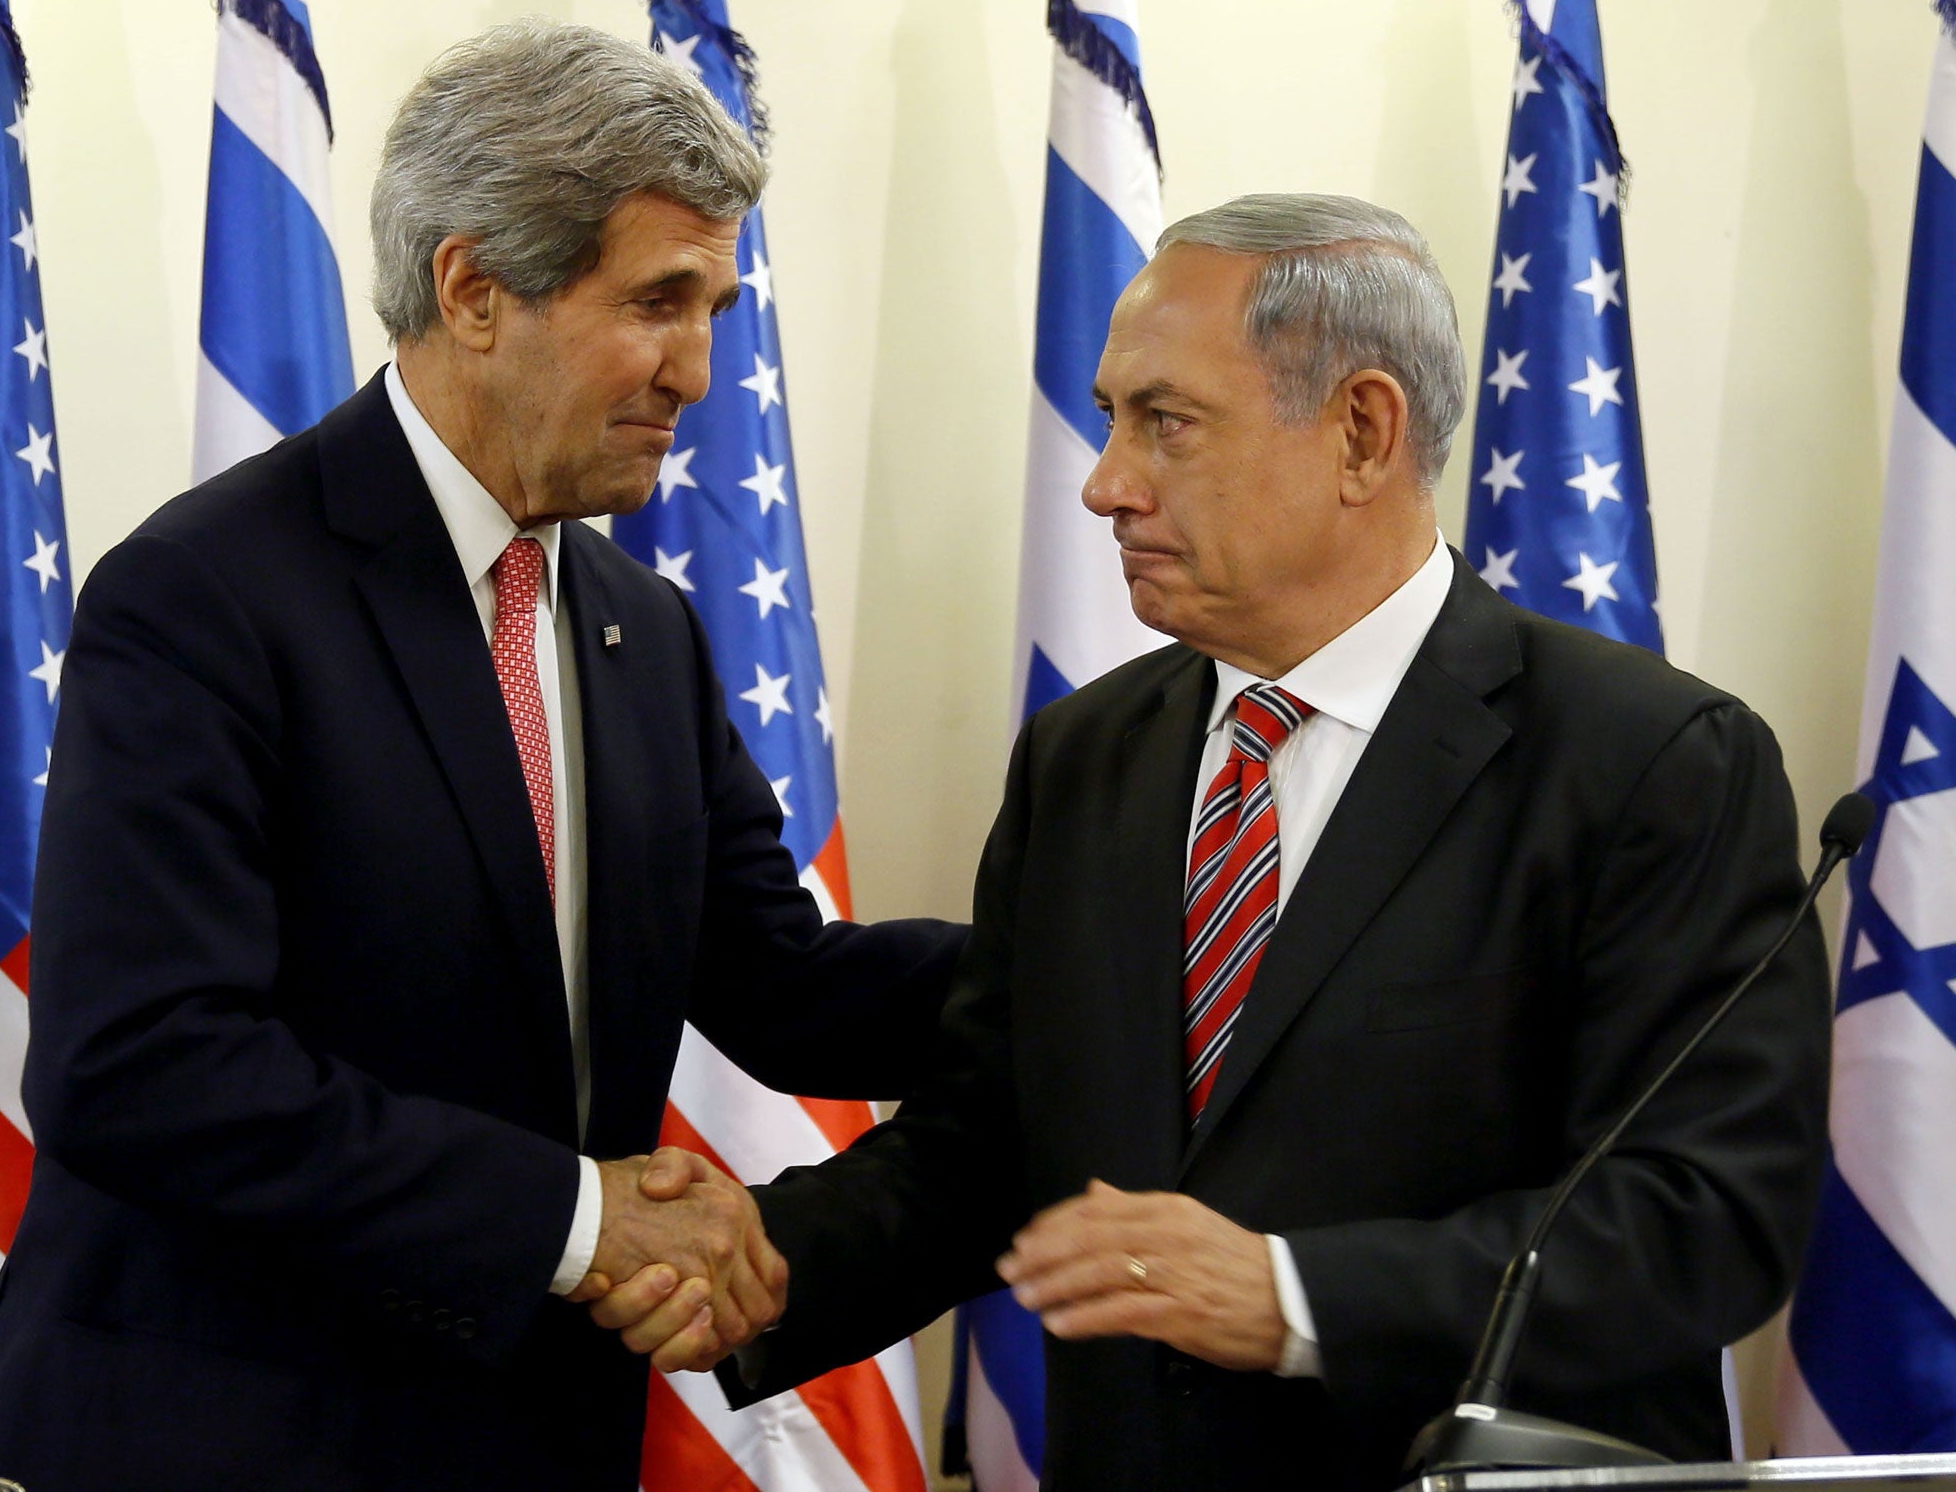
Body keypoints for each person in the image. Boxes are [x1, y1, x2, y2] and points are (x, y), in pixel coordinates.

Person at [605, 194, 1832, 1488]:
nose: (1104, 483)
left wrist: (1296, 1295)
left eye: (1167, 423)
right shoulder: (1089, 757)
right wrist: (760, 1261)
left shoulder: (1643, 763)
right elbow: (993, 1143)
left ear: (1362, 432)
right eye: (1110, 417)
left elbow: (1705, 1220)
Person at [0, 21, 962, 1492]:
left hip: (522, 1440)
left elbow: (780, 983)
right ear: (477, 290)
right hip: (226, 1439)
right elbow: (140, 1064)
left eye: (715, 305)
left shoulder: (642, 632)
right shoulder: (209, 594)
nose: (698, 366)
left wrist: (1127, 949)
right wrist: (577, 1220)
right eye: (658, 302)